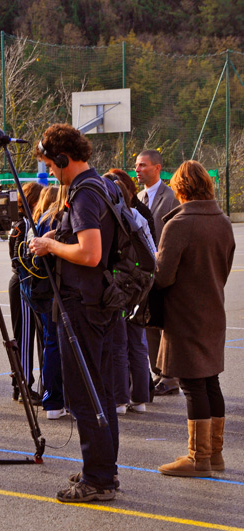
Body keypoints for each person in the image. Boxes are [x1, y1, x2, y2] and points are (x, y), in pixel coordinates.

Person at [29, 123, 119, 503]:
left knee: (85, 394)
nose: (50, 172)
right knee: (100, 391)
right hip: (98, 302)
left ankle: (98, 479)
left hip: (82, 303)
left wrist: (50, 246)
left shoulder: (84, 195)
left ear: (64, 158)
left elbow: (89, 253)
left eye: (50, 165)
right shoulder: (104, 185)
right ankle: (101, 469)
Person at [154, 160, 235, 478]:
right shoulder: (223, 221)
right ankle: (214, 455)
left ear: (181, 189)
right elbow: (225, 268)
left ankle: (197, 457)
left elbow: (162, 278)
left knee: (192, 385)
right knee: (210, 381)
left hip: (184, 313)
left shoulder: (180, 224)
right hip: (213, 307)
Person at [104, 169, 156, 415]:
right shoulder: (137, 216)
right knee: (137, 342)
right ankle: (140, 398)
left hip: (116, 286)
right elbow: (152, 251)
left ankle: (119, 399)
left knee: (118, 343)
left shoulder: (110, 218)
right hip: (138, 285)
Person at [135, 150, 180, 397]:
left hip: (166, 271)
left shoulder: (171, 197)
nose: (138, 169)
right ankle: (157, 374)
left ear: (157, 168)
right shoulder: (139, 197)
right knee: (149, 324)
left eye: (143, 165)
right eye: (136, 165)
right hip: (145, 273)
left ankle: (171, 378)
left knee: (167, 326)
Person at [32, 185, 67, 420]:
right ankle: (57, 398)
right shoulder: (64, 217)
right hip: (60, 286)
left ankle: (52, 398)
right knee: (61, 343)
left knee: (51, 342)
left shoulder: (46, 216)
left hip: (44, 287)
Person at [8, 181, 44, 404]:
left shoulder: (21, 221)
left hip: (25, 281)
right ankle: (23, 386)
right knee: (24, 338)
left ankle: (22, 385)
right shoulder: (23, 223)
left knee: (27, 336)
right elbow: (16, 256)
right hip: (24, 281)